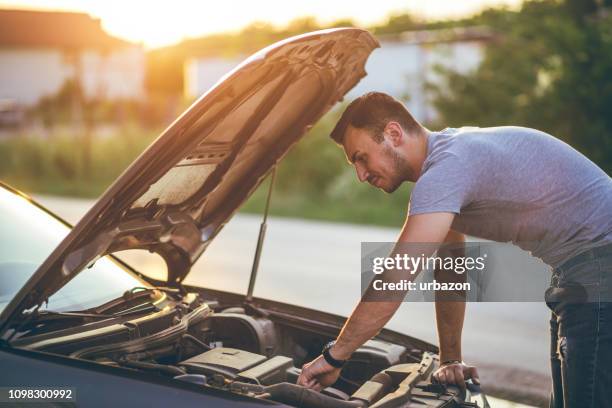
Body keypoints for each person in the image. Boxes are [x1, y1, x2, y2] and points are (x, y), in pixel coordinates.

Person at [296, 92, 612, 408]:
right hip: (583, 266)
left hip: (600, 261)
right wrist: (449, 359)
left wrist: (335, 356)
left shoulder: (445, 171)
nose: (361, 175)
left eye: (361, 157)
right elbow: (450, 267)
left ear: (393, 134)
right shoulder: (450, 160)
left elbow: (395, 279)